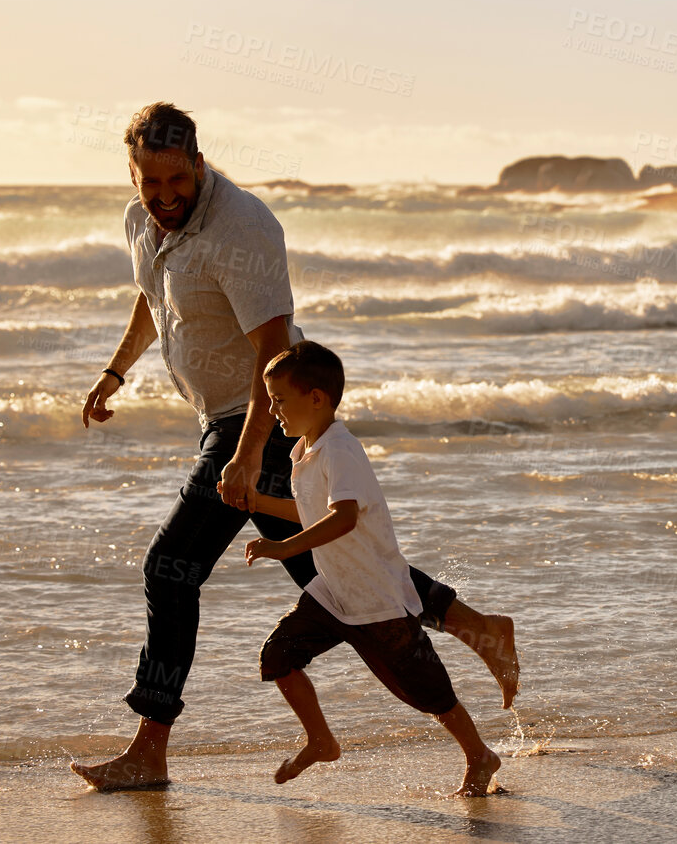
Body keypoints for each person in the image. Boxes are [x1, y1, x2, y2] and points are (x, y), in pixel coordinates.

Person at [72, 103, 517, 792]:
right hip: (225, 423)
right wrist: (115, 369)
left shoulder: (243, 227)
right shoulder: (144, 221)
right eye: (145, 183)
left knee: (171, 569)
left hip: (258, 418)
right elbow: (151, 293)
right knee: (339, 580)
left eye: (172, 181)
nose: (161, 198)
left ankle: (150, 746)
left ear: (197, 161)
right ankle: (476, 634)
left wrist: (248, 454)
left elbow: (273, 350)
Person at [239, 341, 500, 796]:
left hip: (376, 598)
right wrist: (257, 503)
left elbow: (343, 517)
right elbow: (314, 511)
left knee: (429, 692)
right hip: (333, 592)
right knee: (278, 656)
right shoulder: (306, 449)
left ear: (316, 398)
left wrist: (283, 549)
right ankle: (320, 739)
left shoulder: (340, 450)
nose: (272, 410)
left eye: (279, 400)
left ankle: (480, 754)